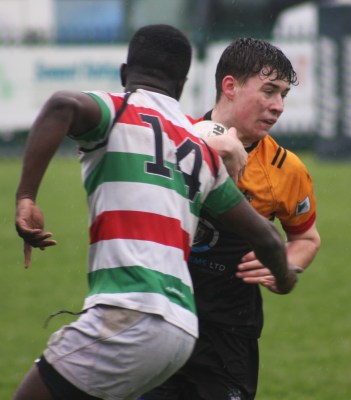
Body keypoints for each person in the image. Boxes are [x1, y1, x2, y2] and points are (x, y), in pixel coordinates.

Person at [13, 26, 298, 400]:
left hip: (128, 311)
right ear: (182, 85)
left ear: (124, 73)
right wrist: (285, 279)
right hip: (181, 330)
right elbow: (269, 239)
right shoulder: (198, 147)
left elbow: (61, 105)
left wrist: (26, 197)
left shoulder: (117, 110)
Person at [142, 38, 321, 399]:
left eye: (283, 95)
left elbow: (306, 238)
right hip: (158, 315)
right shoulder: (171, 141)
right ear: (230, 86)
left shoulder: (286, 169)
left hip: (229, 333)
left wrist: (285, 264)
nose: (278, 106)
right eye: (269, 91)